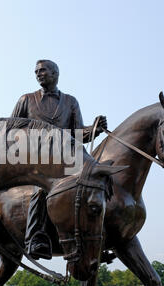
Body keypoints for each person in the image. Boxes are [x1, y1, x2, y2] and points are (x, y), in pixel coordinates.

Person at [11, 59, 107, 259]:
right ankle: (35, 238)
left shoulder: (71, 102)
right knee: (42, 189)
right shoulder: (26, 100)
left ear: (55, 74)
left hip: (65, 158)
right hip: (36, 159)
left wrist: (94, 129)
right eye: (36, 71)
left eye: (43, 70)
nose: (38, 74)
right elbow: (11, 131)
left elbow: (78, 134)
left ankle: (98, 235)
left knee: (97, 179)